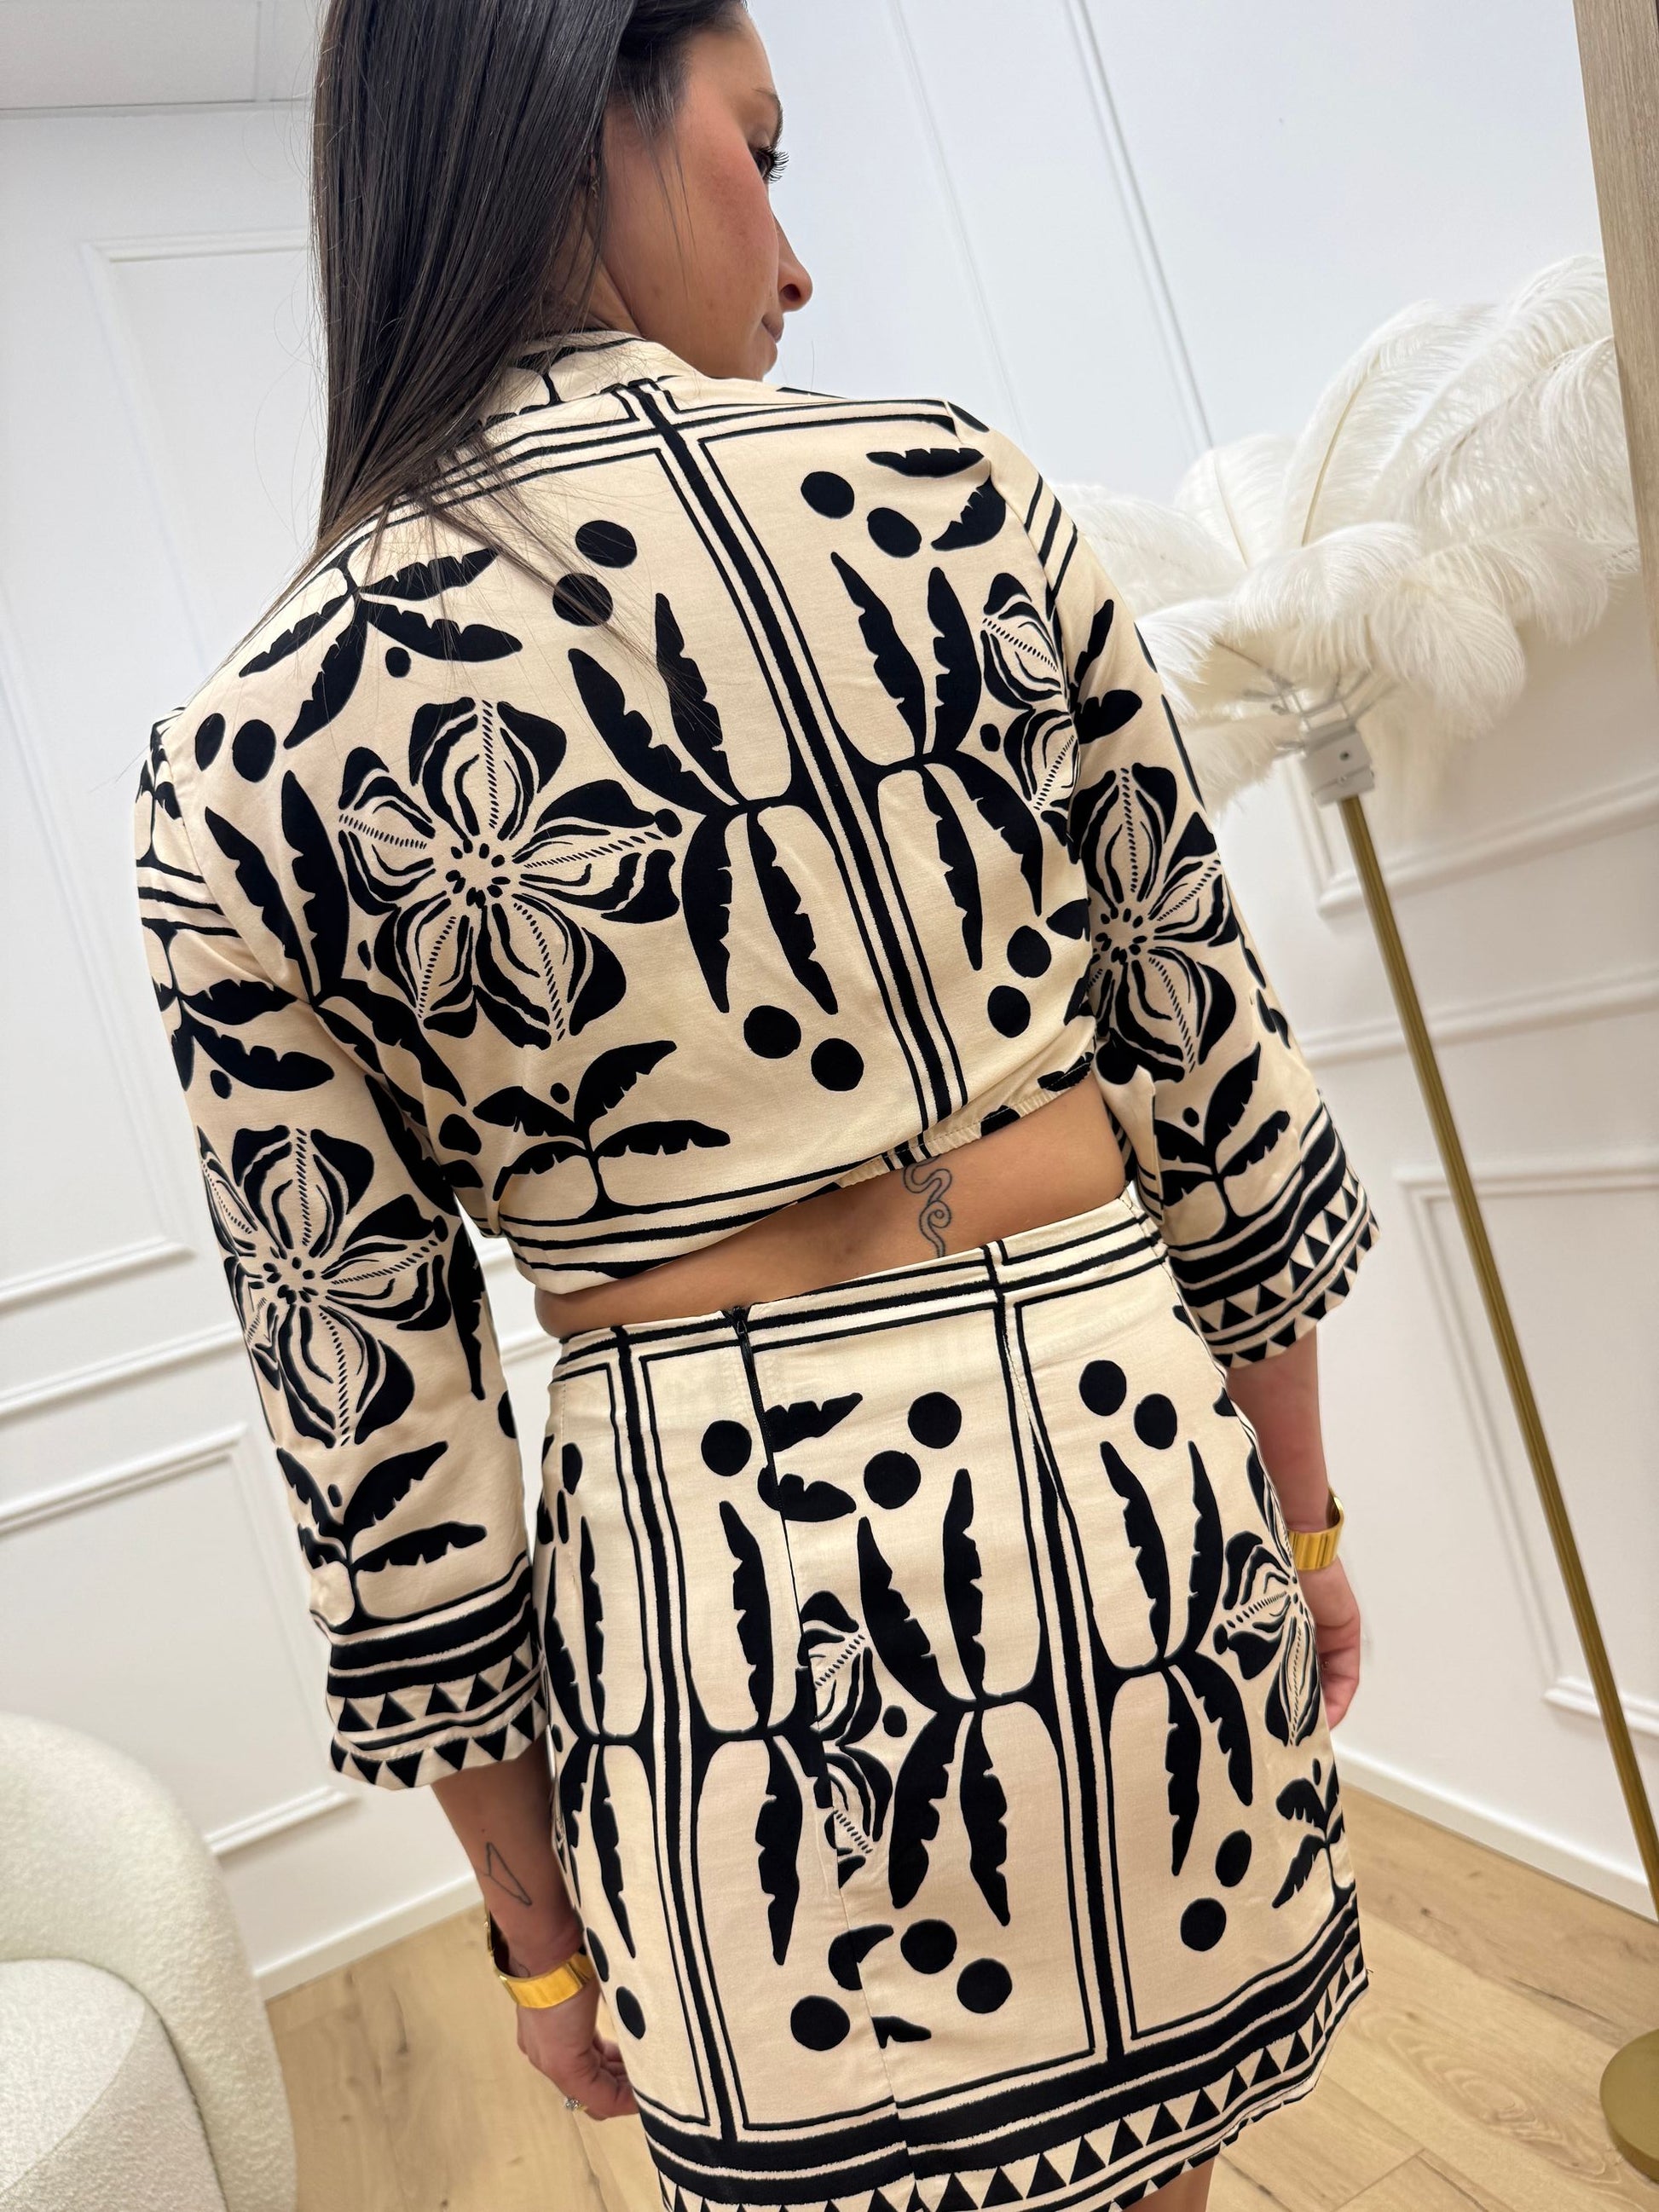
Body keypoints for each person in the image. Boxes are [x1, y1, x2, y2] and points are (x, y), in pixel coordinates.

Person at [132, 5, 1377, 2208]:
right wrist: (1301, 1519)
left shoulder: (248, 748)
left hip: (732, 1641)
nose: (794, 261)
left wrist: (532, 1925)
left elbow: (378, 1426)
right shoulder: (960, 502)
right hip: (1126, 1506)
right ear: (574, 121)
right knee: (1167, 2161)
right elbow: (1208, 1071)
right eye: (764, 152)